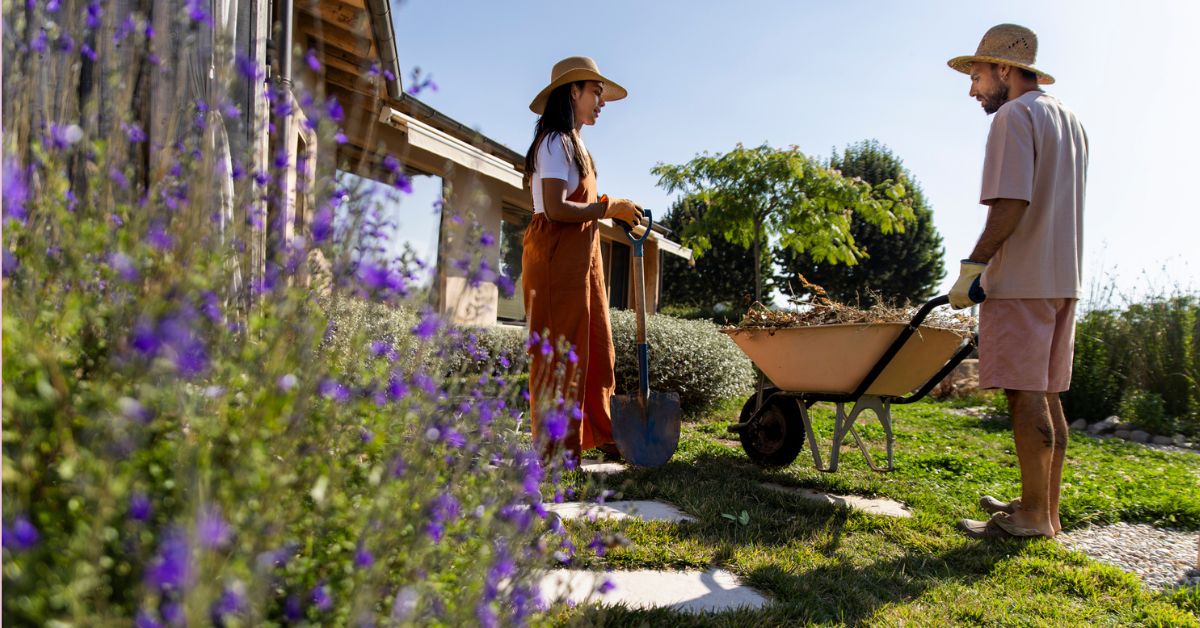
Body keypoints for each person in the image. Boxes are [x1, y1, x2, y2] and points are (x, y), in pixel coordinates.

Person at [946, 24, 1089, 539]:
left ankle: (1031, 517)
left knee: (1025, 394)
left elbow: (1011, 202)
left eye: (978, 75)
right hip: (1062, 278)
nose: (973, 89)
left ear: (1004, 69)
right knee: (1047, 394)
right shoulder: (1068, 119)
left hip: (1023, 277)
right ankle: (1043, 509)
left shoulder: (1013, 115)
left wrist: (974, 266)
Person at [522, 56, 643, 463]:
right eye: (596, 91)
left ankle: (601, 432)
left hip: (582, 255)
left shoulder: (578, 144)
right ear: (573, 91)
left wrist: (613, 212)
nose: (602, 101)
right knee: (560, 352)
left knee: (596, 347)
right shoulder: (555, 141)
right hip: (555, 255)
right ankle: (556, 450)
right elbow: (555, 209)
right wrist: (609, 208)